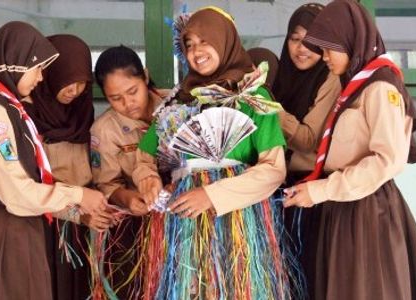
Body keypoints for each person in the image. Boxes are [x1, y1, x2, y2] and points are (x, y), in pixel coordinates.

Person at [132, 6, 299, 299]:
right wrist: (148, 180)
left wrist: (211, 195)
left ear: (225, 40)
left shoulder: (253, 96)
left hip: (236, 219)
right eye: (189, 44)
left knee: (234, 288)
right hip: (183, 217)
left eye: (205, 40)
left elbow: (273, 170)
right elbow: (144, 157)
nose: (196, 51)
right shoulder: (178, 100)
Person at [283, 1, 416, 299]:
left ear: (350, 40)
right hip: (341, 206)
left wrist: (323, 189)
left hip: (366, 213)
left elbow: (386, 160)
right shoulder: (353, 86)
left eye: (328, 48)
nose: (323, 57)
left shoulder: (380, 88)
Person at [0, 22, 109, 300]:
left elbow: (30, 187)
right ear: (16, 63)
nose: (40, 78)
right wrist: (78, 194)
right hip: (7, 228)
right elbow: (16, 192)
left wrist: (77, 212)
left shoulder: (9, 108)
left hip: (21, 225)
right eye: (37, 67)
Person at [23, 34, 108, 300]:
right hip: (43, 224)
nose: (75, 90)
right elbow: (29, 186)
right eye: (68, 81)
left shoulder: (82, 111)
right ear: (49, 74)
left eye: (82, 82)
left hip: (84, 226)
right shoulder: (26, 116)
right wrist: (77, 212)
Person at [271, 3, 342, 298]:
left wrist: (269, 109)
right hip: (277, 190)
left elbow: (308, 139)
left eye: (313, 41)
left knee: (307, 277)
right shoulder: (279, 76)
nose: (302, 49)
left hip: (310, 194)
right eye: (295, 38)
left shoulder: (330, 78)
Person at [90, 45, 164, 298]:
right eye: (115, 98)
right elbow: (106, 185)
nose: (127, 103)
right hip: (135, 231)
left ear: (145, 76)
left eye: (133, 91)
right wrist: (128, 199)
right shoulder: (104, 130)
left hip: (184, 221)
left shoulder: (174, 108)